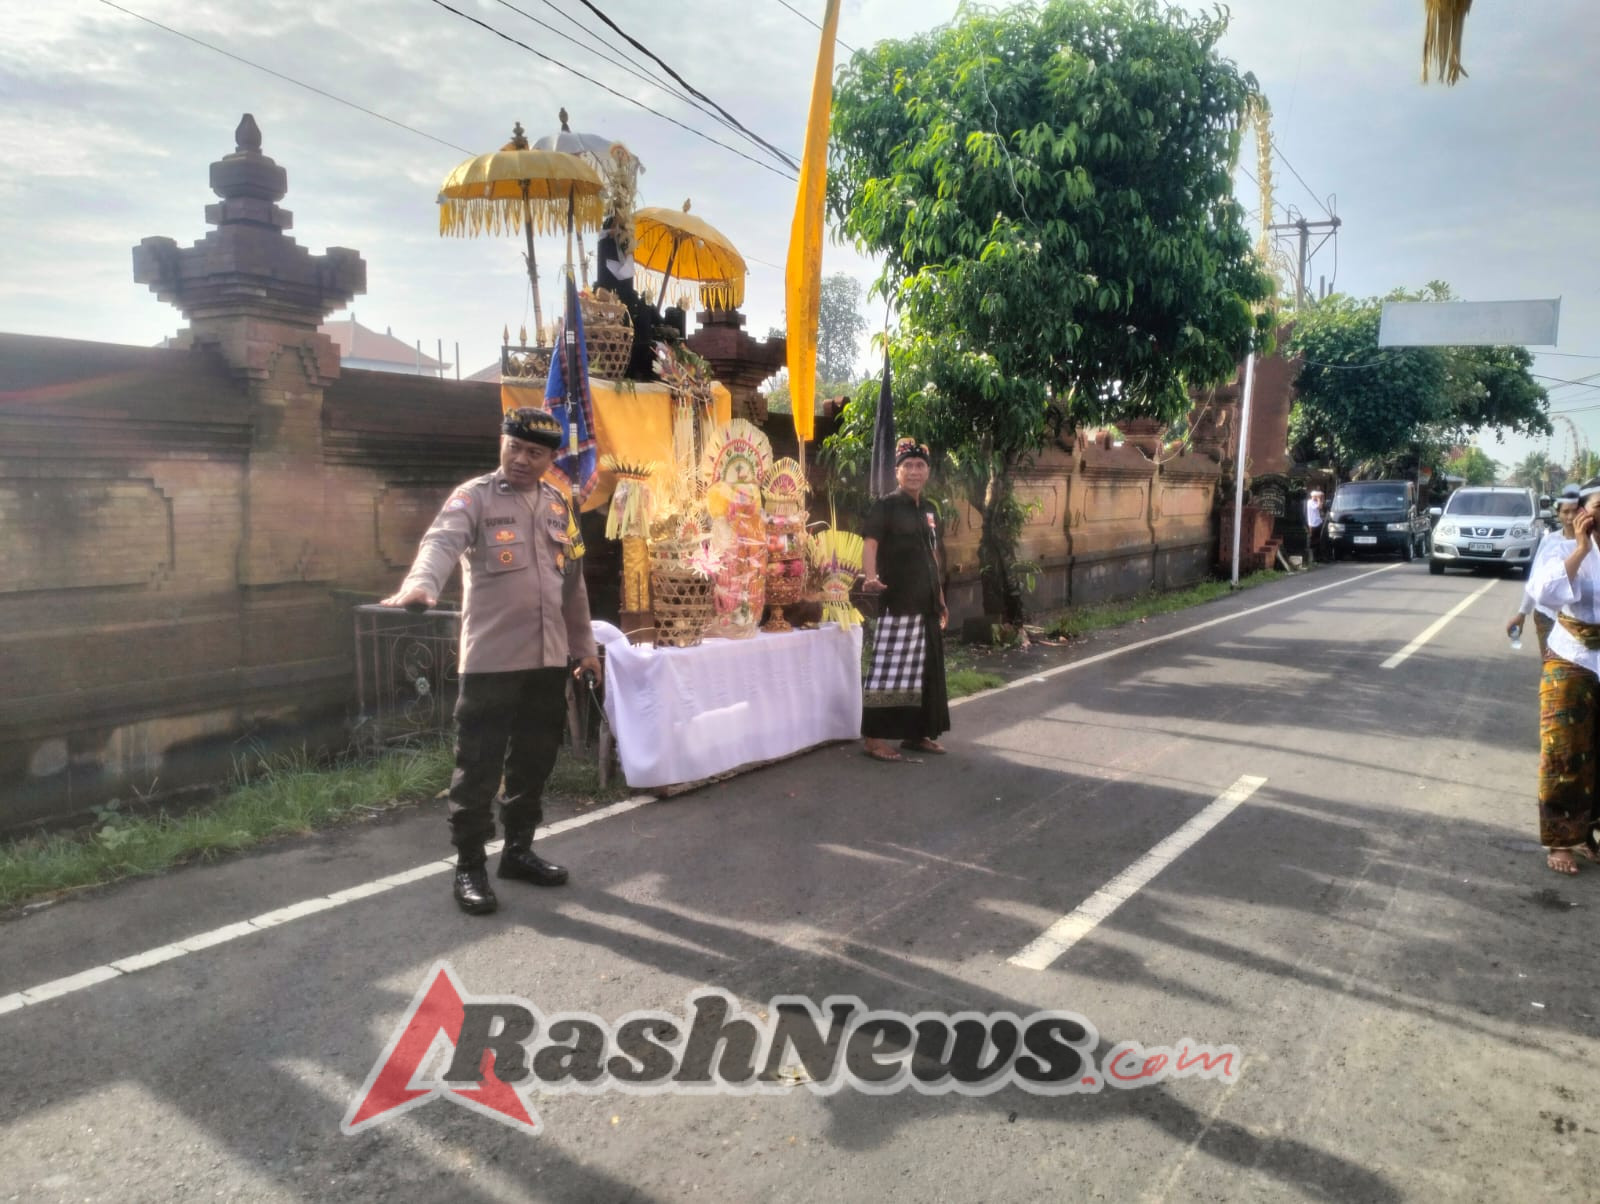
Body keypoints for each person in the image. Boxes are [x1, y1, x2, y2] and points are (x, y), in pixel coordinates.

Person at [381, 407, 602, 914]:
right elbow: (440, 542)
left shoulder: (558, 504)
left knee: (534, 759)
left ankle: (518, 850)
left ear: (551, 458)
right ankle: (470, 865)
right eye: (515, 447)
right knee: (477, 765)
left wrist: (585, 649)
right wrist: (420, 584)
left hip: (546, 661)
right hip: (491, 661)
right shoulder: (474, 497)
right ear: (502, 443)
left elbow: (573, 584)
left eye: (535, 452)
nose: (522, 459)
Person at [859, 438, 950, 762]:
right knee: (891, 669)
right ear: (897, 472)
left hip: (925, 601)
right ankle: (873, 738)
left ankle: (917, 733)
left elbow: (932, 556)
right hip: (896, 599)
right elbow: (870, 544)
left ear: (928, 472)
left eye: (920, 466)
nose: (914, 471)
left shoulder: (929, 510)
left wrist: (940, 596)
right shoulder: (885, 506)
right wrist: (870, 576)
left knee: (925, 670)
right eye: (908, 466)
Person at [1528, 476, 1600, 876]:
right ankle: (1561, 839)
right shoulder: (1561, 547)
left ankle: (1589, 833)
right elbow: (1545, 594)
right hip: (1570, 655)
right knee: (1564, 749)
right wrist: (1581, 548)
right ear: (1584, 512)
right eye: (1598, 506)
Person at [1507, 484, 1579, 658]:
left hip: (1579, 620)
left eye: (1575, 511)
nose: (1570, 517)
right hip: (1547, 616)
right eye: (1565, 512)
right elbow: (1536, 579)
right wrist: (1522, 614)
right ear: (1558, 514)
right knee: (1552, 665)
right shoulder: (1549, 541)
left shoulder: (1592, 543)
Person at [1304, 489, 1325, 564]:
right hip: (1313, 524)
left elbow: (1321, 507)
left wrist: (1320, 498)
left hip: (1318, 522)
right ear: (1314, 496)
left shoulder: (1315, 502)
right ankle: (1313, 558)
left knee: (1318, 539)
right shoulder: (1310, 502)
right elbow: (1319, 507)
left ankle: (1318, 557)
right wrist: (1319, 498)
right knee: (1313, 540)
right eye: (1317, 496)